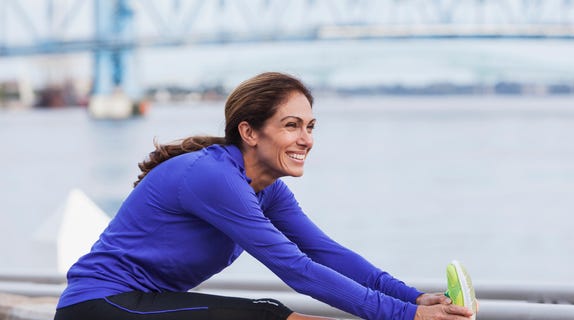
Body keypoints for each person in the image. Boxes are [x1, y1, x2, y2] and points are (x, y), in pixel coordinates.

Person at [54, 72, 475, 320]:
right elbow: (297, 270)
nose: (306, 139)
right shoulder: (213, 177)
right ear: (250, 132)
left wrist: (414, 297)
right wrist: (408, 317)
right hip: (100, 307)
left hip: (146, 303)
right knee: (268, 314)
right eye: (292, 125)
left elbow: (324, 252)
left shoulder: (266, 190)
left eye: (311, 127)